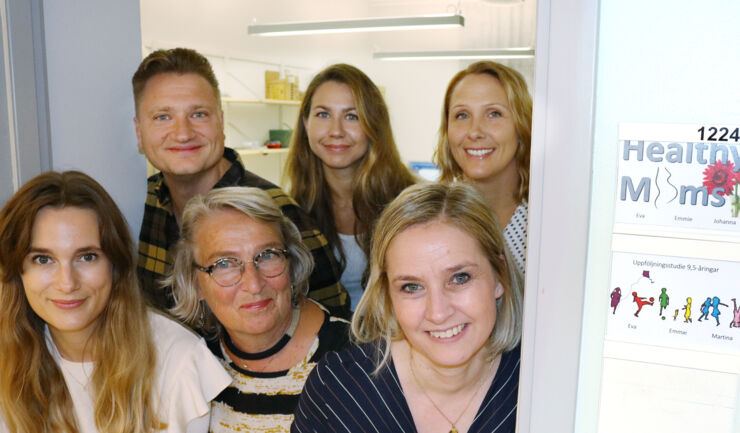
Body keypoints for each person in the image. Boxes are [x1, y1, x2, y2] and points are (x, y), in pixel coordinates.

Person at [0, 171, 230, 433]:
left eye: (87, 257)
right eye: (43, 259)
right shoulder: (7, 358)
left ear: (116, 264)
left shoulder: (178, 362)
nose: (67, 283)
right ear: (16, 270)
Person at [131, 47, 348, 317]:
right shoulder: (144, 202)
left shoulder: (279, 214)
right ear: (139, 133)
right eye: (163, 117)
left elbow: (335, 328)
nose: (183, 133)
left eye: (198, 114)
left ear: (221, 122)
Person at [292, 182, 523, 433]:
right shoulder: (338, 389)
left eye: (460, 278)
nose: (438, 313)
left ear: (499, 276)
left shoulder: (544, 382)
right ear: (388, 294)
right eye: (412, 287)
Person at [169, 187, 350, 432]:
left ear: (291, 262)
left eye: (267, 255)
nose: (253, 284)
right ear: (195, 282)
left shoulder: (356, 356)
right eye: (224, 264)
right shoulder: (189, 363)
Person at [285, 63, 416, 311]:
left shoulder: (410, 203)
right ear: (306, 123)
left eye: (352, 116)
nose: (336, 131)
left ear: (373, 125)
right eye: (323, 114)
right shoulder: (291, 209)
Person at [434, 61, 532, 276]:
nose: (474, 131)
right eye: (462, 115)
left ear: (521, 124)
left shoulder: (545, 220)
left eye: (494, 114)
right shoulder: (434, 216)